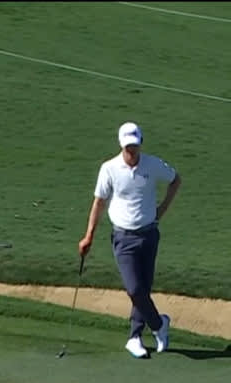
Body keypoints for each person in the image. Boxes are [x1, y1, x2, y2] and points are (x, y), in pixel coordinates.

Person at [78, 121, 183, 358]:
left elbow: (175, 179)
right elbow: (99, 202)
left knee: (143, 289)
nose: (131, 151)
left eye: (134, 146)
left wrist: (162, 209)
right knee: (135, 289)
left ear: (140, 143)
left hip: (149, 234)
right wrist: (88, 236)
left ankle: (135, 336)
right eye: (127, 147)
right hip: (123, 237)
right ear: (121, 145)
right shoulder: (109, 169)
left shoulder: (153, 165)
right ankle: (159, 325)